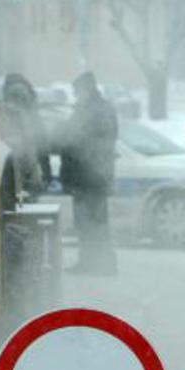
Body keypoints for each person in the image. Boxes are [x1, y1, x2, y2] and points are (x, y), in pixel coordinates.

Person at [58, 72, 119, 273]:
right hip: (90, 176)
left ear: (86, 89)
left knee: (91, 222)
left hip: (90, 176)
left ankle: (99, 263)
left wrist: (67, 143)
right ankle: (95, 262)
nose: (76, 95)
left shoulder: (94, 111)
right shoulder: (98, 109)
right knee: (91, 222)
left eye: (77, 91)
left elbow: (86, 141)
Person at [0, 73, 51, 208]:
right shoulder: (28, 114)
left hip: (15, 173)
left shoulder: (6, 113)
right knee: (23, 207)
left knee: (18, 208)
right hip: (21, 171)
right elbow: (41, 143)